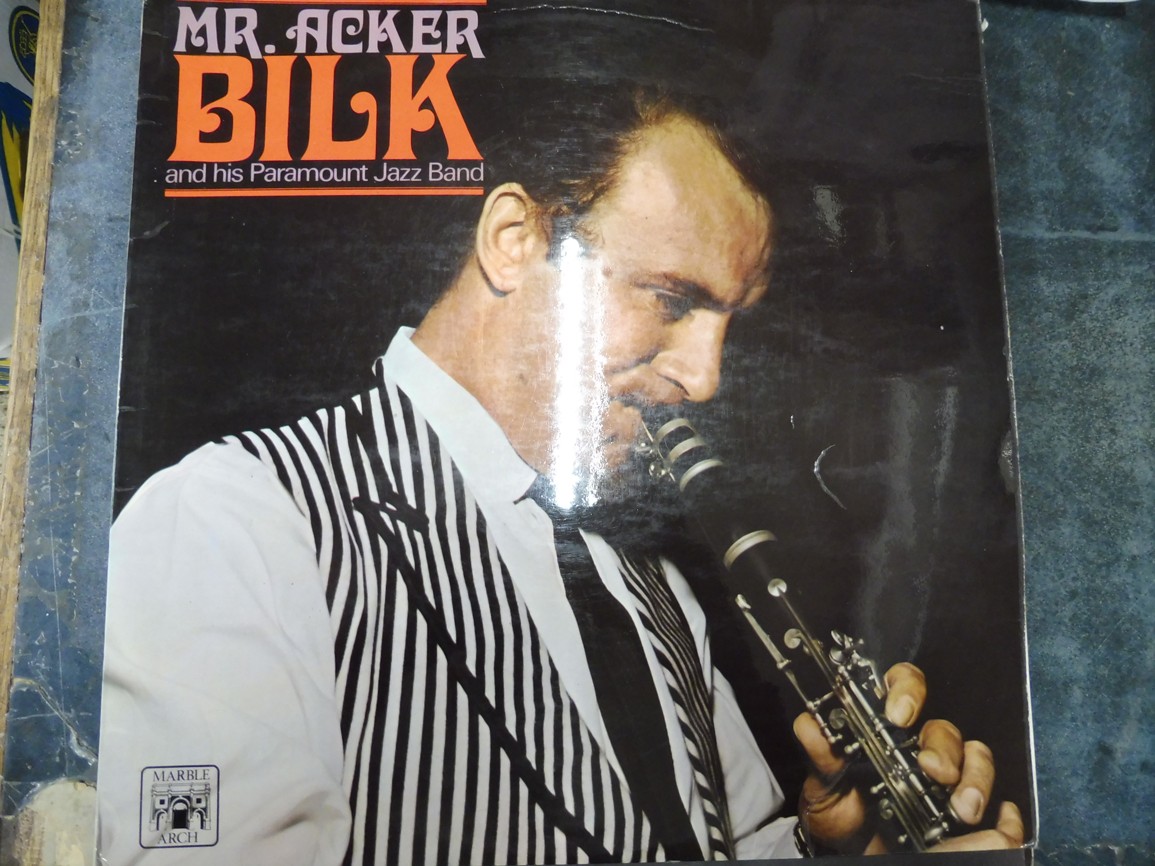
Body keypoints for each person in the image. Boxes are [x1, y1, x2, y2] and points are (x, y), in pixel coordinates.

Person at [98, 91, 1024, 864]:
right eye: (672, 300)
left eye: (730, 324)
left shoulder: (652, 584)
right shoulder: (236, 519)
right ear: (513, 239)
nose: (705, 379)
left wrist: (835, 846)